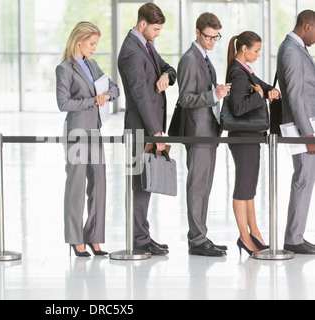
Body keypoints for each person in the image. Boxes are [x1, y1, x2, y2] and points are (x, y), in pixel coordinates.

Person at [55, 21, 119, 257]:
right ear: (79, 41)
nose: (94, 48)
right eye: (91, 43)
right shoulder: (64, 69)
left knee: (99, 183)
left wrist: (106, 95)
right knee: (76, 185)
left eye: (96, 44)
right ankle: (75, 238)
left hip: (95, 130)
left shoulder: (92, 65)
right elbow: (63, 104)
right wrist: (93, 100)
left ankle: (94, 237)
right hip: (76, 131)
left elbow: (114, 88)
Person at [117, 2, 176, 255]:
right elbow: (140, 95)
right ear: (142, 24)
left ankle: (143, 235)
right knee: (139, 186)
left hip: (148, 128)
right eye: (156, 29)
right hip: (140, 129)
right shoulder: (131, 52)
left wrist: (166, 76)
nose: (158, 33)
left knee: (146, 184)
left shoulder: (146, 46)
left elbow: (169, 67)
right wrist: (156, 132)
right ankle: (138, 239)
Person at [177, 12, 230, 256]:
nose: (212, 41)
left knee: (205, 186)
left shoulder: (206, 58)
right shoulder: (189, 59)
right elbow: (185, 99)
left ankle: (201, 235)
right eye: (208, 37)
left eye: (216, 37)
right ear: (197, 33)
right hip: (197, 132)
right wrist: (213, 96)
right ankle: (196, 240)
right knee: (197, 186)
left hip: (209, 130)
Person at [225, 31, 280, 255]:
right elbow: (238, 108)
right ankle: (245, 237)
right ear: (244, 49)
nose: (258, 54)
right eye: (256, 50)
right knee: (243, 187)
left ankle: (254, 232)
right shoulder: (238, 73)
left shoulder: (245, 70)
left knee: (249, 187)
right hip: (242, 136)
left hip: (250, 136)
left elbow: (262, 86)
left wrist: (268, 91)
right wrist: (260, 96)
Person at [277, 10, 315, 254]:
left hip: (306, 125)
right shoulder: (291, 50)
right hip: (302, 127)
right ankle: (293, 239)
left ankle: (296, 235)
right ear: (308, 26)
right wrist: (307, 134)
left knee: (306, 179)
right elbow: (295, 96)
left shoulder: (297, 48)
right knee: (303, 179)